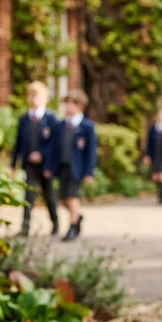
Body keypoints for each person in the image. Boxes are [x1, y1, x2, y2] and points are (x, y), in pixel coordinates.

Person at [12, 81, 59, 236]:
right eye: (31, 96)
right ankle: (25, 227)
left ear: (45, 98)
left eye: (37, 96)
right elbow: (18, 142)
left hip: (45, 165)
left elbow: (54, 144)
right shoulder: (24, 119)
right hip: (29, 165)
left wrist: (43, 155)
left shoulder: (51, 119)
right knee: (28, 196)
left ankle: (55, 224)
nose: (34, 99)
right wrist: (14, 163)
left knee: (49, 195)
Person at [53, 90, 97, 242]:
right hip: (62, 166)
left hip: (77, 169)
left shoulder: (86, 126)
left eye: (71, 104)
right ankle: (77, 216)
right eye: (66, 104)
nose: (67, 107)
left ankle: (72, 227)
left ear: (80, 106)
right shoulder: (61, 125)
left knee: (72, 197)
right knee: (62, 199)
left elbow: (91, 151)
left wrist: (89, 171)